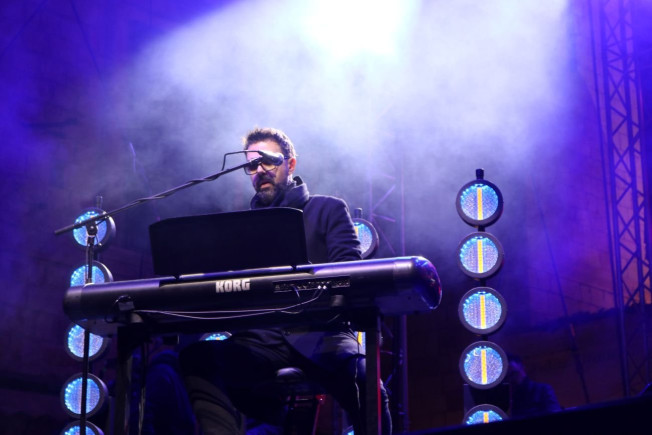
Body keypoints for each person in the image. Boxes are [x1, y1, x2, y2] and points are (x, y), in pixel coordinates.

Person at [179, 127, 391, 434]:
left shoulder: (328, 208)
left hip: (323, 336)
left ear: (290, 164)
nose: (259, 170)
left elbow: (350, 271)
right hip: (260, 342)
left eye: (268, 161)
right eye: (252, 165)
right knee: (198, 359)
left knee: (368, 384)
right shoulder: (241, 226)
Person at [506, 353, 561, 418]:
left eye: (509, 366)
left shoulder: (543, 389)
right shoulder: (510, 396)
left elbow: (555, 415)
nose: (508, 371)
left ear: (521, 365)